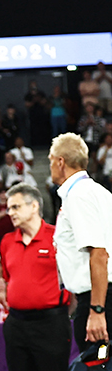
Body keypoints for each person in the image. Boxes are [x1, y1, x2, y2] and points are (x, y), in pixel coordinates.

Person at [49, 133, 112, 352]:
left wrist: (97, 310)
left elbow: (99, 254)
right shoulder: (100, 192)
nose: (50, 167)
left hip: (100, 301)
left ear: (60, 162)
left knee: (98, 364)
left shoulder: (78, 196)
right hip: (101, 297)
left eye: (50, 160)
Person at [0, 183, 70, 371]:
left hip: (51, 325)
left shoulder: (58, 237)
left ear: (34, 206)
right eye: (8, 208)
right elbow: (8, 278)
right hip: (16, 325)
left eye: (16, 207)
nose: (10, 213)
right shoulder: (7, 242)